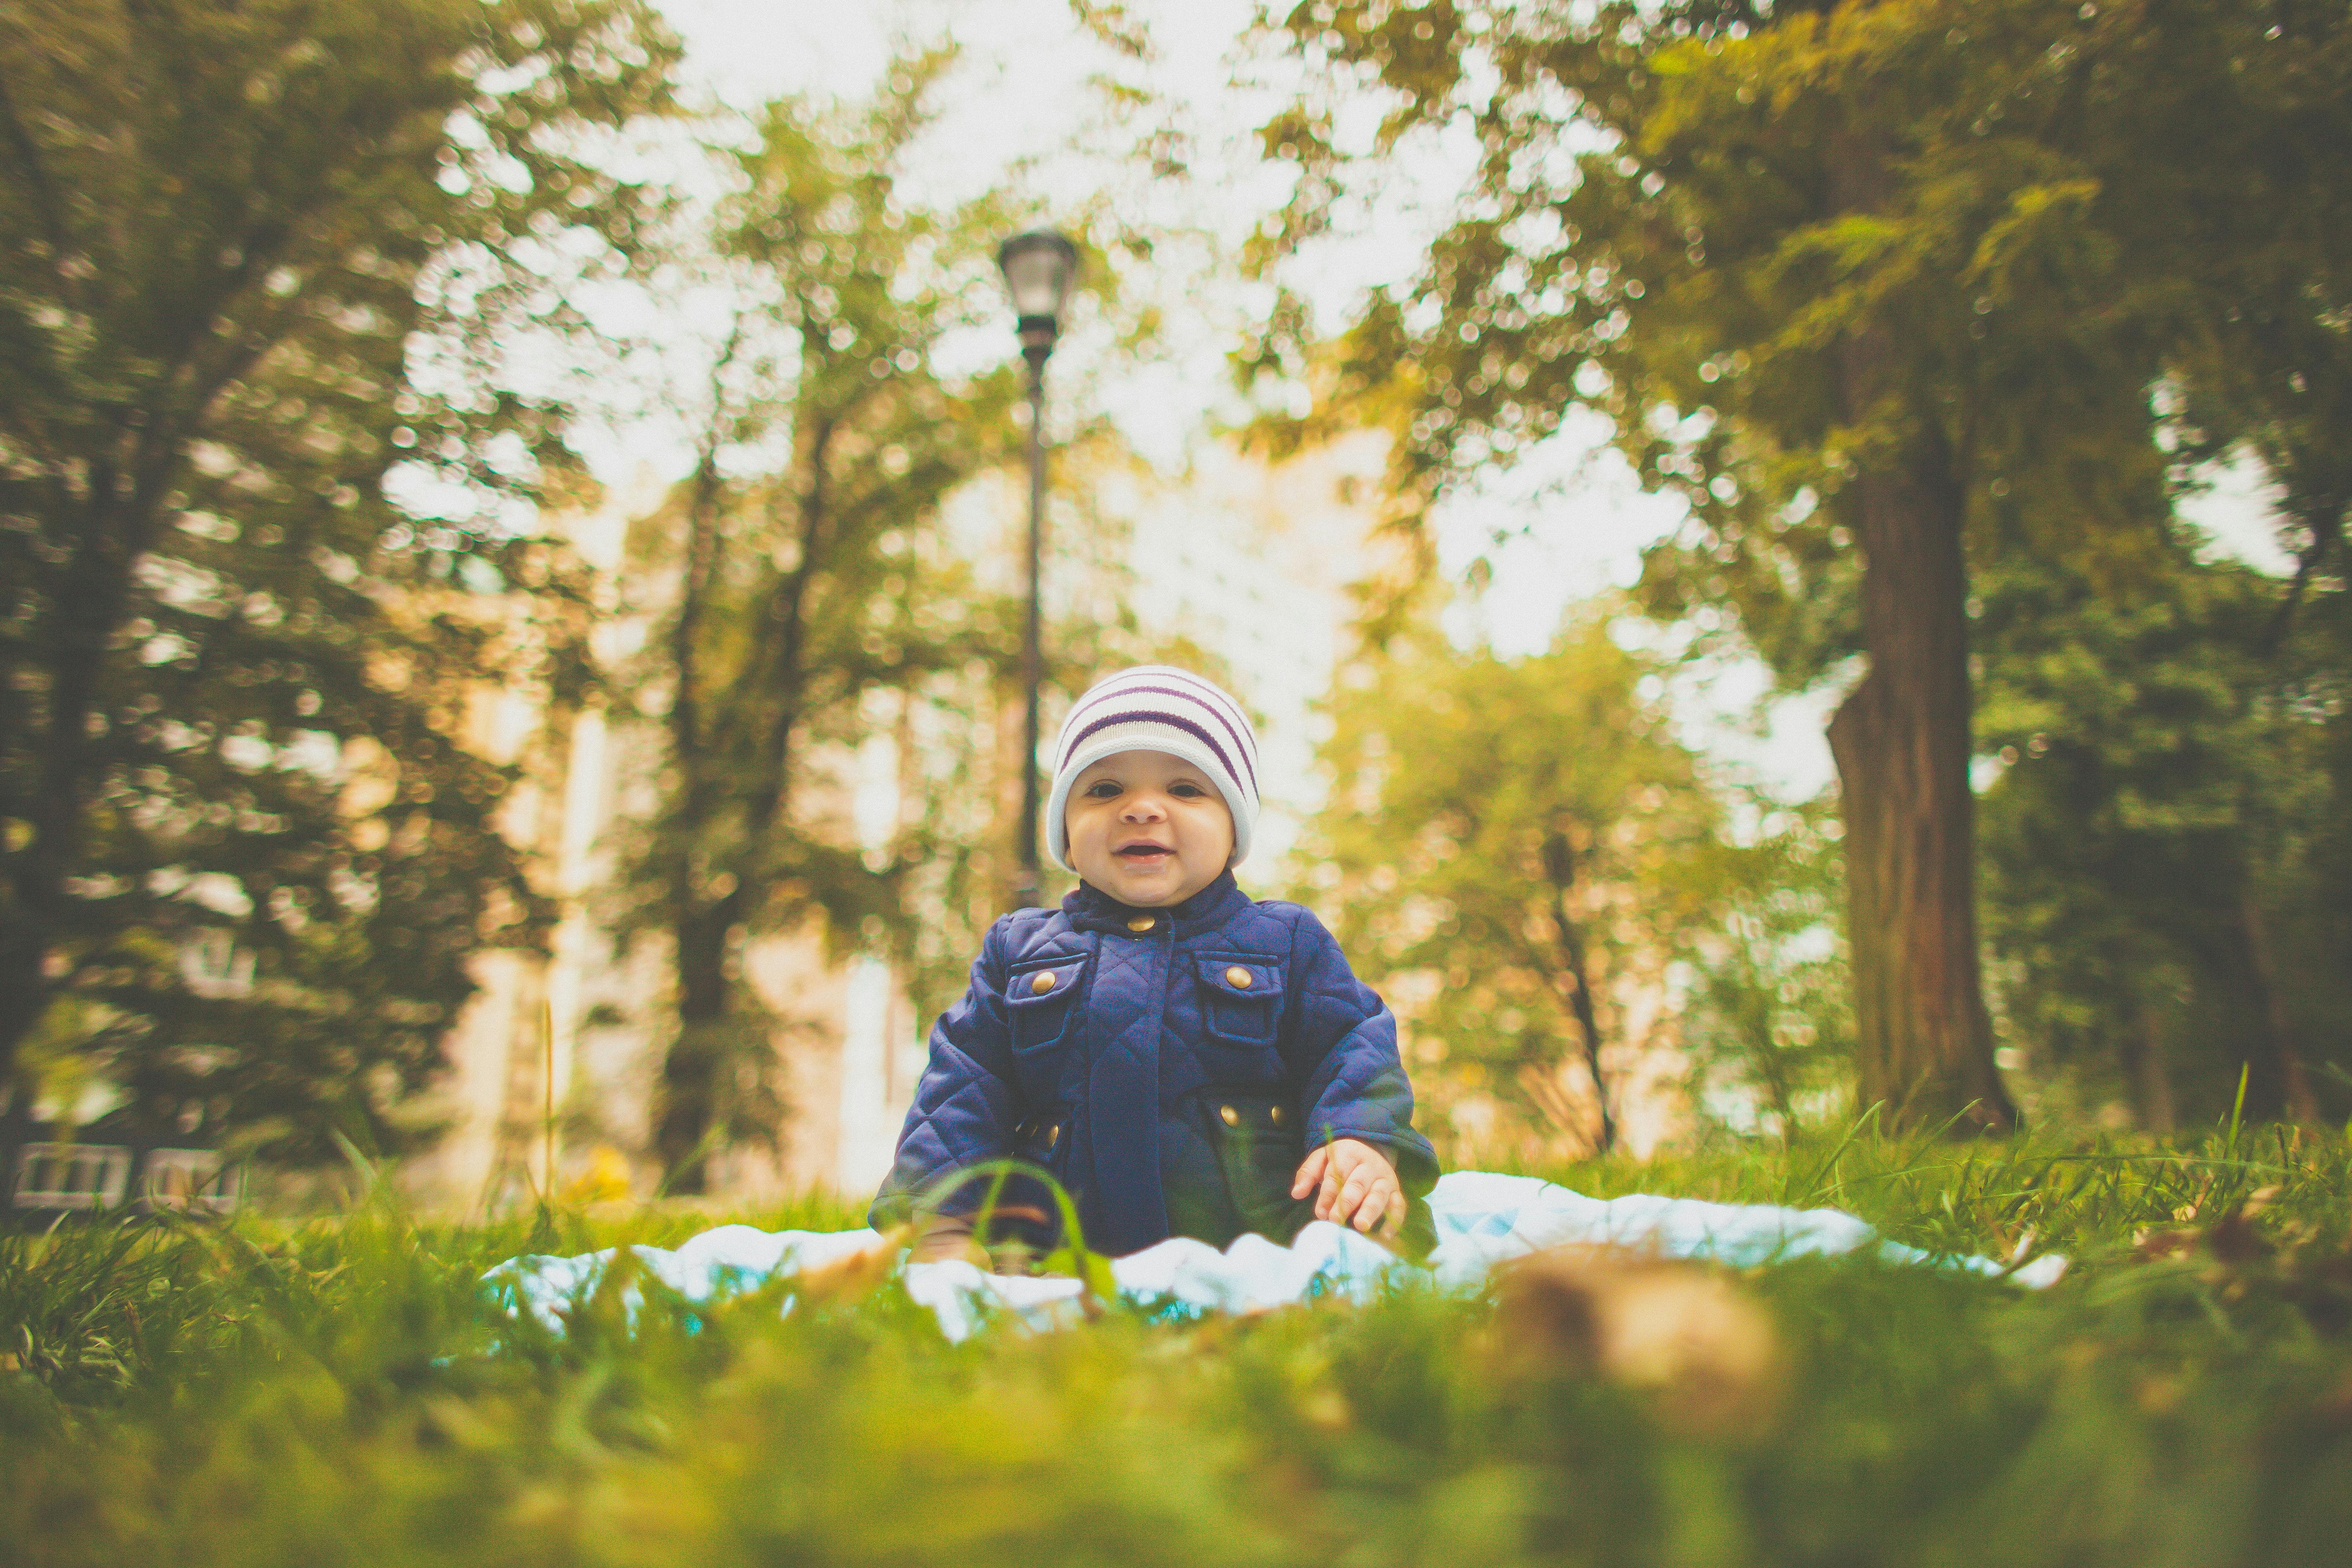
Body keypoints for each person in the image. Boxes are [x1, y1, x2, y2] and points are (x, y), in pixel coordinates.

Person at [870, 665, 1438, 1259]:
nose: (1141, 809)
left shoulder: (1287, 940)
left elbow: (1352, 1043)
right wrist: (945, 1220)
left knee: (1366, 1257)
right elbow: (963, 1088)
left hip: (1262, 1237)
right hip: (1061, 1250)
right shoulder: (1017, 952)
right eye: (1104, 790)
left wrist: (1360, 1137)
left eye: (1185, 789)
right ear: (1065, 830)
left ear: (1233, 827)